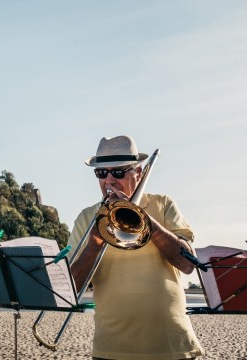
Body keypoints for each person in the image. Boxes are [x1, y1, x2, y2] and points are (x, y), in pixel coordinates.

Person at [68, 135, 203, 360]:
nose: (109, 180)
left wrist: (145, 221)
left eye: (118, 172)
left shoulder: (163, 204)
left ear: (138, 174)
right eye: (101, 173)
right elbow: (71, 288)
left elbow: (188, 264)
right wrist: (93, 245)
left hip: (172, 346)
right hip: (110, 349)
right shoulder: (87, 217)